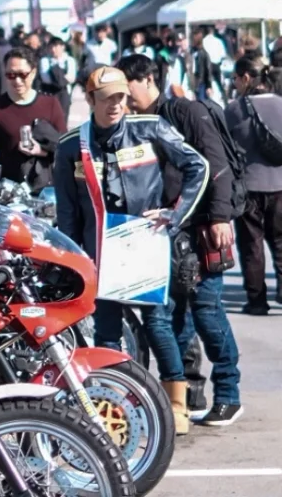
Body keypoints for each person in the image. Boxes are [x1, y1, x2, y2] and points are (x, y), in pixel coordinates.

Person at [54, 66, 210, 434]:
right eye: (107, 98)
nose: (116, 105)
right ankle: (113, 405)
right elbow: (67, 212)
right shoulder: (70, 146)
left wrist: (175, 214)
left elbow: (197, 166)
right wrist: (73, 260)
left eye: (121, 97)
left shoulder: (149, 128)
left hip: (144, 245)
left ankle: (176, 404)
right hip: (100, 251)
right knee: (107, 332)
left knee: (157, 324)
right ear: (90, 100)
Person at [117, 53, 243, 427]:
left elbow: (214, 162)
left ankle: (229, 394)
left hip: (202, 227)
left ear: (148, 79)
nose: (122, 99)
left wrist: (220, 216)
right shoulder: (132, 123)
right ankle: (185, 396)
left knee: (207, 311)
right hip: (162, 234)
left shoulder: (184, 111)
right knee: (174, 319)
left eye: (127, 89)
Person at [225, 57, 282, 314]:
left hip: (248, 188)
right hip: (280, 187)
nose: (235, 84)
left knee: (252, 246)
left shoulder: (235, 109)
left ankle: (257, 301)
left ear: (246, 77)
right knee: (281, 242)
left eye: (236, 79)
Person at [0, 45, 67, 192]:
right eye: (11, 75)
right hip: (8, 191)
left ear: (33, 73)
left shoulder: (50, 104)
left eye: (22, 74)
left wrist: (41, 151)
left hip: (44, 188)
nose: (17, 81)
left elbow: (65, 147)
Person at [38, 37, 77, 118]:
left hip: (65, 93)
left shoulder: (69, 60)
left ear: (62, 47)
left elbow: (71, 78)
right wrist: (62, 77)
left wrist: (56, 75)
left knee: (63, 117)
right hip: (49, 92)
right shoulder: (44, 60)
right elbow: (46, 79)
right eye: (51, 47)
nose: (53, 49)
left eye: (56, 46)